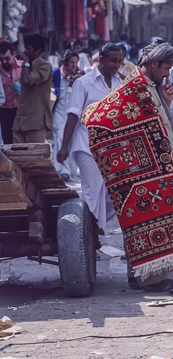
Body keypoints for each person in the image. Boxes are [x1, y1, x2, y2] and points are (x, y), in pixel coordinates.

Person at [83, 40, 173, 287]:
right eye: (165, 69)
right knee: (142, 224)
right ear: (154, 64)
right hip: (143, 171)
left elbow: (156, 122)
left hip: (159, 167)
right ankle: (149, 278)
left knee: (150, 223)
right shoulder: (134, 86)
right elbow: (98, 117)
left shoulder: (150, 86)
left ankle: (151, 276)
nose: (167, 74)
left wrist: (166, 102)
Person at [56, 44, 124, 245]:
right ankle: (89, 241)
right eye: (113, 60)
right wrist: (64, 146)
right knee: (92, 194)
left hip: (114, 149)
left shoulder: (121, 82)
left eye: (119, 61)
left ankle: (93, 230)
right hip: (88, 147)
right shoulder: (83, 83)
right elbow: (73, 115)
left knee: (115, 196)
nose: (116, 65)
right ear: (101, 59)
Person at [12, 35, 52, 144]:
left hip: (36, 124)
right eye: (25, 48)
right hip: (19, 122)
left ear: (38, 50)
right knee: (17, 157)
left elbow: (26, 80)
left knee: (35, 159)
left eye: (28, 49)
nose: (25, 52)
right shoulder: (26, 66)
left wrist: (25, 62)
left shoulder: (45, 66)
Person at [52, 50, 83, 181]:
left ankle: (71, 172)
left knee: (73, 141)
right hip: (59, 112)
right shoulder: (56, 73)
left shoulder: (81, 75)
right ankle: (61, 170)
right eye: (71, 62)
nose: (74, 65)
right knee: (59, 137)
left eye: (76, 62)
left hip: (74, 114)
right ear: (65, 63)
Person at [0, 42, 19, 144]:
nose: (4, 61)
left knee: (22, 143)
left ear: (14, 54)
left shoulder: (24, 67)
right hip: (5, 111)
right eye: (1, 59)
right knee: (7, 142)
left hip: (21, 111)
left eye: (7, 58)